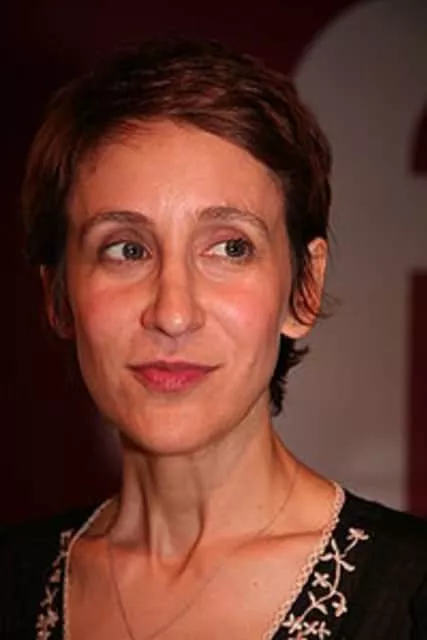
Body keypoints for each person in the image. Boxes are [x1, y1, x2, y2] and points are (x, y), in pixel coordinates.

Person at [2, 37, 427, 640]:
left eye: (230, 247)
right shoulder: (12, 582)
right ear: (58, 296)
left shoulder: (412, 594)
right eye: (126, 250)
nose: (173, 314)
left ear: (304, 287)